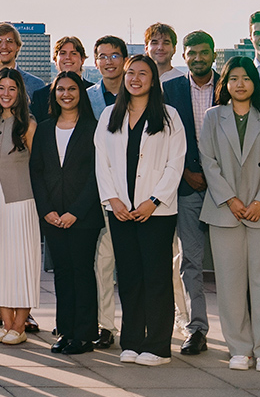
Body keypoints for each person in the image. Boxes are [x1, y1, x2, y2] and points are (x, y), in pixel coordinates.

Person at [95, 54, 187, 366]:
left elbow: (175, 165)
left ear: (153, 79)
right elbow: (102, 163)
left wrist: (154, 201)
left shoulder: (170, 116)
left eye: (143, 73)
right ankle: (132, 340)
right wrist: (114, 200)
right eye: (130, 73)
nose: (135, 78)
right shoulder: (109, 115)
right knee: (130, 277)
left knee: (157, 277)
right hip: (120, 211)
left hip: (156, 212)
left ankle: (158, 346)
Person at [198, 56, 260, 372]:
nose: (240, 83)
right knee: (230, 283)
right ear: (225, 83)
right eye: (233, 78)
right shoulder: (212, 117)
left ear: (254, 82)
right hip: (225, 211)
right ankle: (238, 347)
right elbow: (208, 162)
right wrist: (230, 200)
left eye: (246, 78)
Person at [30, 70, 101, 354]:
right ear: (54, 94)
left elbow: (97, 175)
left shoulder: (92, 128)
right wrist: (46, 210)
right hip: (52, 215)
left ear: (80, 94)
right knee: (61, 273)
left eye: (72, 89)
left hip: (82, 216)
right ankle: (65, 331)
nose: (66, 94)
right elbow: (36, 171)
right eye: (61, 89)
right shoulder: (45, 128)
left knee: (81, 271)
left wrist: (76, 211)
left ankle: (84, 334)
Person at [161, 30, 219, 356]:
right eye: (191, 53)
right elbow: (164, 140)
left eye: (203, 52)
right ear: (184, 57)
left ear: (213, 54)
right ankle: (197, 328)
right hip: (187, 186)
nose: (197, 57)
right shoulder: (170, 90)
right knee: (190, 262)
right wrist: (185, 172)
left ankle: (245, 331)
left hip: (225, 189)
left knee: (230, 265)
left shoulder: (229, 85)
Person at [0, 69, 40, 346]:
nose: (6, 93)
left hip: (21, 199)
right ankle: (5, 322)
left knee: (21, 260)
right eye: (1, 88)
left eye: (12, 88)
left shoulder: (29, 124)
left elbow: (38, 166)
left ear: (20, 92)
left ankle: (19, 324)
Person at [86, 35, 130, 349]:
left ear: (125, 60)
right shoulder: (87, 97)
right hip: (98, 191)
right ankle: (105, 325)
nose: (109, 61)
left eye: (115, 55)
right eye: (102, 56)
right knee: (102, 263)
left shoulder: (140, 94)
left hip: (137, 191)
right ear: (95, 61)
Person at [30, 36, 88, 123]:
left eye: (74, 53)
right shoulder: (41, 96)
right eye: (63, 53)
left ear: (82, 60)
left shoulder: (93, 92)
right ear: (55, 60)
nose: (68, 57)